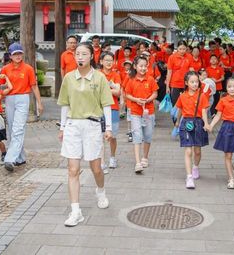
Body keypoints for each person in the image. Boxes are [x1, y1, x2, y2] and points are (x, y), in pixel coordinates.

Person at [58, 43, 114, 227]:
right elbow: (65, 104)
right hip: (73, 125)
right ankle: (76, 211)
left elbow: (106, 104)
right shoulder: (68, 78)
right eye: (77, 54)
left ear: (91, 56)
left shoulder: (99, 78)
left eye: (84, 54)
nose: (80, 57)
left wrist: (109, 128)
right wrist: (63, 127)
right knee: (73, 169)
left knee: (96, 168)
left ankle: (101, 190)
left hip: (92, 125)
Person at [0, 43, 44, 172]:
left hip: (23, 98)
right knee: (12, 128)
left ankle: (10, 159)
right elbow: (1, 84)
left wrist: (39, 103)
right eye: (15, 54)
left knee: (18, 128)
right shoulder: (5, 68)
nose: (18, 56)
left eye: (19, 53)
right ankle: (20, 157)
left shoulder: (28, 68)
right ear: (10, 56)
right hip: (10, 99)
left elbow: (34, 86)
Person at [204, 77, 234, 189]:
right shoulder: (223, 100)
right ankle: (231, 178)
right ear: (226, 88)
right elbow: (218, 115)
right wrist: (211, 125)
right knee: (228, 155)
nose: (232, 89)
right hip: (227, 128)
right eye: (229, 87)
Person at [175, 71, 211, 189]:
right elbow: (180, 109)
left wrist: (206, 123)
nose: (195, 84)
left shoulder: (202, 96)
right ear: (186, 83)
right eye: (192, 82)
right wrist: (177, 121)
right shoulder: (182, 96)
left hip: (199, 123)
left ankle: (195, 166)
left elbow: (204, 111)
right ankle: (189, 177)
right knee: (188, 151)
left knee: (197, 151)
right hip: (186, 123)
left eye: (196, 82)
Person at [124, 56, 159, 173]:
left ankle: (145, 157)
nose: (143, 68)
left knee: (148, 136)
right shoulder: (131, 79)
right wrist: (135, 99)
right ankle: (138, 162)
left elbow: (155, 93)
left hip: (149, 112)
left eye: (145, 66)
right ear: (135, 66)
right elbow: (127, 94)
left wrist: (148, 100)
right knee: (137, 135)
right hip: (135, 112)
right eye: (141, 66)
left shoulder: (150, 79)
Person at [99, 51, 122, 170]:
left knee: (112, 136)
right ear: (101, 61)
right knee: (100, 135)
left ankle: (112, 157)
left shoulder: (116, 74)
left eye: (111, 60)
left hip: (113, 107)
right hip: (99, 108)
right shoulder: (97, 74)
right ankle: (102, 160)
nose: (109, 62)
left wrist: (106, 89)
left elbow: (118, 92)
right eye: (106, 60)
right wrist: (112, 88)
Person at [165, 40, 191, 106]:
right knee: (175, 104)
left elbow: (191, 70)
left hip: (186, 83)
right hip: (175, 84)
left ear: (186, 48)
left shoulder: (189, 57)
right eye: (180, 49)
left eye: (184, 49)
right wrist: (167, 86)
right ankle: (174, 116)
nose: (182, 51)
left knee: (185, 104)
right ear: (177, 48)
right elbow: (169, 72)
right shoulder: (172, 57)